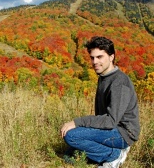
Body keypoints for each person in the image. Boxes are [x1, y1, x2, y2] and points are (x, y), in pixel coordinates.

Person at [60, 36, 140, 168]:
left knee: (71, 136)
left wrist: (77, 122)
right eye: (92, 58)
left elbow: (110, 121)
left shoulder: (119, 83)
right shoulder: (104, 77)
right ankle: (105, 152)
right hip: (111, 129)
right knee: (69, 156)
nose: (95, 61)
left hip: (123, 133)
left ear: (111, 57)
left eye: (100, 57)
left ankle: (114, 154)